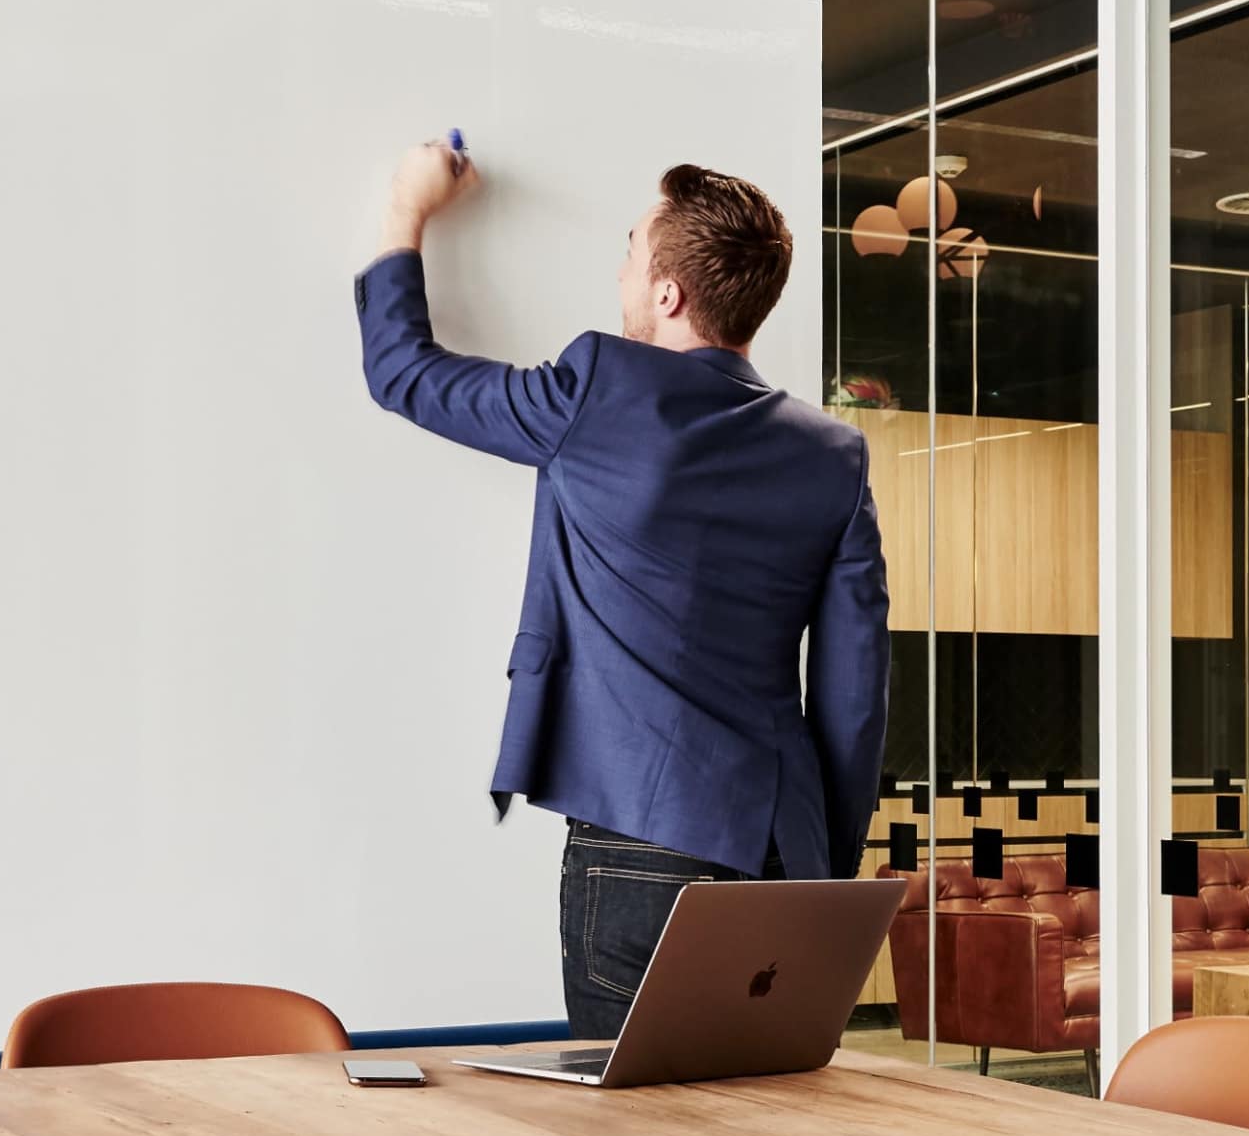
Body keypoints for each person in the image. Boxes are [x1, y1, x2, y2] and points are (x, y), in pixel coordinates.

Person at [355, 139, 888, 1039]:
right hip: (782, 849)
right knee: (769, 1135)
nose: (622, 271)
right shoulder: (832, 453)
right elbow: (854, 695)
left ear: (668, 293)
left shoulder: (599, 390)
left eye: (630, 252)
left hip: (639, 849)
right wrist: (821, 873)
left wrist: (406, 214)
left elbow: (405, 373)